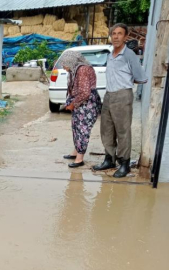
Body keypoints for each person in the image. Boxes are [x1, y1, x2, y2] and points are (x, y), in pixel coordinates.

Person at [93, 23, 148, 178]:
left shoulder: (129, 55)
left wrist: (125, 84)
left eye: (119, 33)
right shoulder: (110, 54)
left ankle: (124, 163)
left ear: (125, 36)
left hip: (123, 95)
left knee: (123, 131)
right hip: (109, 95)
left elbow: (141, 78)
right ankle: (109, 159)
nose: (116, 36)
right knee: (107, 130)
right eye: (114, 33)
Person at [60, 51, 102, 168]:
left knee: (83, 129)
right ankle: (76, 152)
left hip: (87, 103)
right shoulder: (75, 69)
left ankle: (79, 159)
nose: (63, 67)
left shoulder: (82, 70)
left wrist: (73, 104)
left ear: (71, 61)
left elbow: (84, 92)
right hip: (81, 102)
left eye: (64, 64)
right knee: (76, 127)